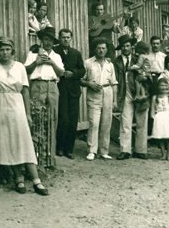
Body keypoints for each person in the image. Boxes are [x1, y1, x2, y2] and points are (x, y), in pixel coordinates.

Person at [0, 37, 48, 196]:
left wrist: (28, 114)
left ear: (12, 51)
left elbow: (25, 91)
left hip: (16, 104)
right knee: (8, 143)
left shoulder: (19, 67)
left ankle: (36, 181)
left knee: (23, 142)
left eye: (7, 49)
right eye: (2, 50)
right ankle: (18, 178)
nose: (5, 52)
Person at [25, 27, 64, 162]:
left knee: (52, 118)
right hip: (37, 85)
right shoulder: (33, 53)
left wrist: (51, 63)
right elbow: (25, 70)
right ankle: (36, 155)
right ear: (41, 40)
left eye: (51, 40)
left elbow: (61, 73)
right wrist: (37, 62)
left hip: (52, 86)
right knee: (37, 118)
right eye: (46, 39)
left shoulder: (56, 56)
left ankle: (49, 155)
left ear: (54, 42)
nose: (48, 43)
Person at [81, 38, 118, 160]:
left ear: (106, 50)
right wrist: (89, 84)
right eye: (98, 48)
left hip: (107, 92)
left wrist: (115, 100)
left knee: (106, 123)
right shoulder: (88, 63)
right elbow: (81, 79)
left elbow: (114, 83)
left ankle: (104, 150)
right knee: (94, 122)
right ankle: (92, 150)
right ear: (95, 49)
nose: (101, 50)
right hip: (93, 94)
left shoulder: (110, 64)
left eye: (103, 48)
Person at [114, 35, 149, 160]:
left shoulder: (139, 59)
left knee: (141, 121)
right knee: (126, 121)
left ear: (131, 47)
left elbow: (148, 73)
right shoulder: (116, 61)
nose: (125, 48)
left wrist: (145, 77)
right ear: (120, 48)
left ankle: (141, 150)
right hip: (125, 92)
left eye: (127, 46)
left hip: (139, 91)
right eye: (123, 46)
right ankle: (125, 150)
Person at [53, 28, 86, 159]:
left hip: (73, 90)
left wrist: (73, 73)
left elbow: (82, 70)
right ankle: (60, 147)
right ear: (59, 38)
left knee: (72, 121)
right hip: (60, 89)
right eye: (63, 37)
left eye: (68, 37)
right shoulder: (55, 52)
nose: (66, 39)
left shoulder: (76, 53)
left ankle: (69, 149)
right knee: (63, 119)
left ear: (71, 38)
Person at [150, 78, 169, 160]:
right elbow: (152, 109)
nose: (163, 87)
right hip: (159, 117)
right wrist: (153, 118)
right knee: (160, 136)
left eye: (165, 85)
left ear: (168, 86)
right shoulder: (155, 97)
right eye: (161, 85)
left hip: (168, 117)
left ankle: (168, 154)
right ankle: (163, 154)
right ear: (158, 86)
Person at [128, 41, 151, 105]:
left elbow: (138, 65)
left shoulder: (141, 56)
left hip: (142, 72)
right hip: (147, 73)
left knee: (137, 81)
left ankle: (138, 94)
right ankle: (143, 95)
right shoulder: (147, 56)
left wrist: (131, 67)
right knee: (142, 83)